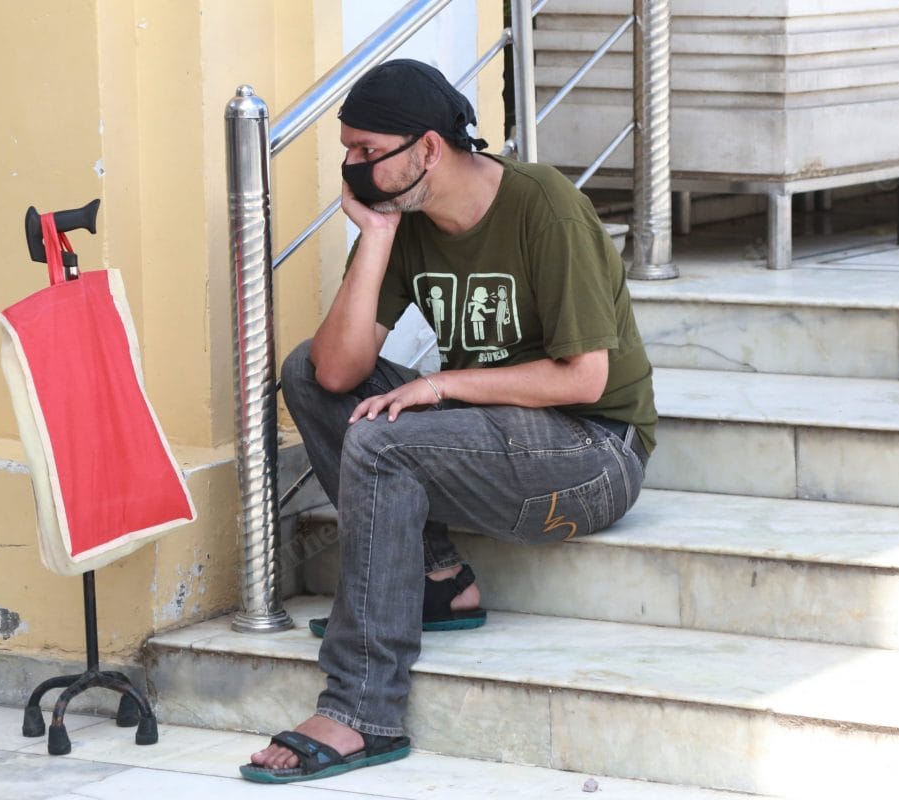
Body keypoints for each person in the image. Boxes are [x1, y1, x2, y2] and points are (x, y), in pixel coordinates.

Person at [241, 58, 656, 784]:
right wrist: (374, 235)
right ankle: (436, 579)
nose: (354, 167)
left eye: (368, 152)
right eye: (348, 153)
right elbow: (336, 373)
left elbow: (585, 377)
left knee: (383, 442)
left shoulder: (543, 206)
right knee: (307, 373)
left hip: (593, 453)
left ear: (427, 149)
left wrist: (441, 385)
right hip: (494, 432)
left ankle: (362, 706)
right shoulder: (408, 222)